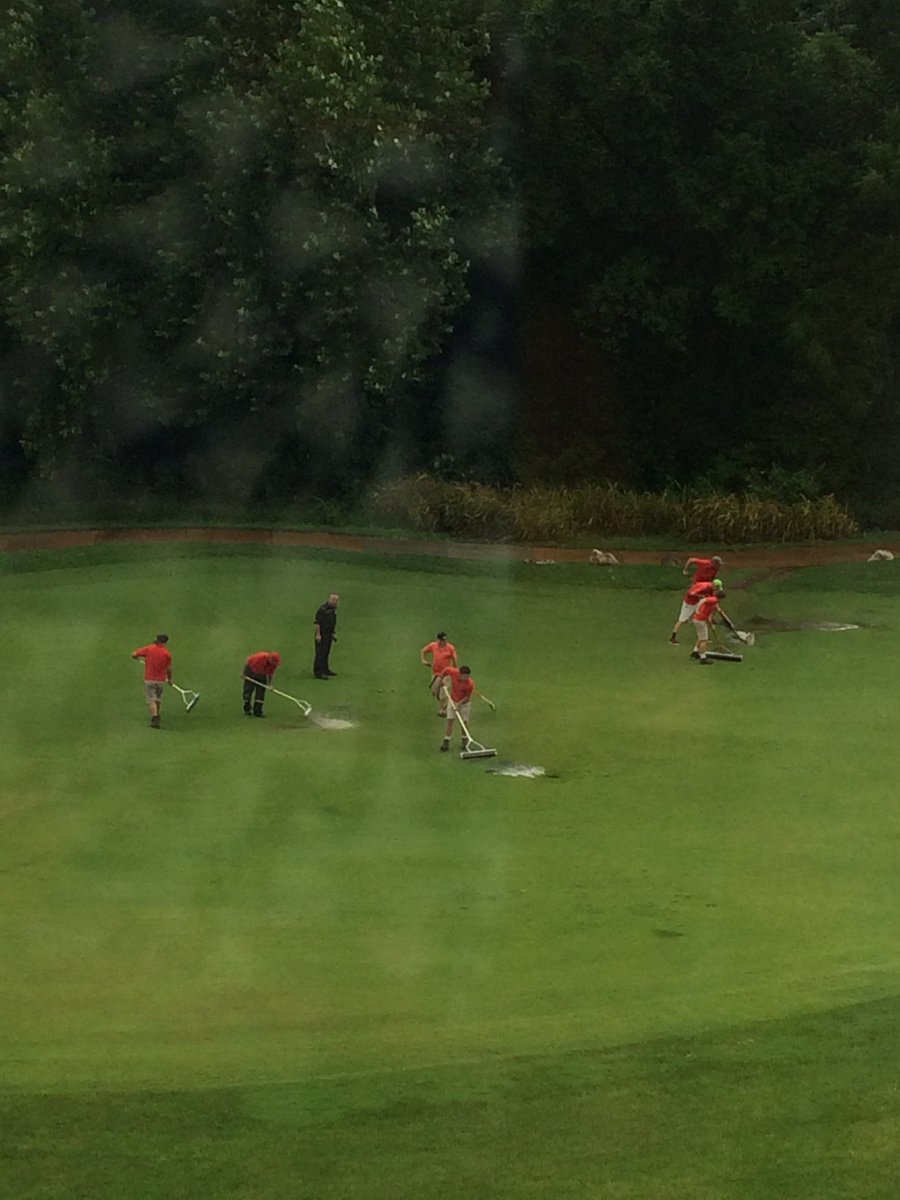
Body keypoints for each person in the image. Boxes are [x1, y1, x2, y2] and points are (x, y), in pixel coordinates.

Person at [132, 633, 172, 729]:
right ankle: (157, 714)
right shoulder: (167, 654)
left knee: (151, 700)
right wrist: (170, 679)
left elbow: (134, 654)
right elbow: (169, 669)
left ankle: (155, 718)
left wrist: (137, 658)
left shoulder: (149, 649)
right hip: (161, 680)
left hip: (149, 679)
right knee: (158, 699)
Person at [669, 577, 724, 645]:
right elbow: (691, 593)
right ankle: (672, 637)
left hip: (697, 602)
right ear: (714, 585)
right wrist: (701, 596)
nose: (717, 590)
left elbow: (712, 598)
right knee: (682, 620)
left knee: (703, 615)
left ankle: (703, 638)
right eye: (717, 588)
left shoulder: (711, 588)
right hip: (689, 603)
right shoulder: (704, 586)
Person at [420, 632, 458, 715]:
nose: (443, 642)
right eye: (441, 640)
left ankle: (442, 710)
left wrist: (455, 672)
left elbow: (454, 660)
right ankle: (444, 703)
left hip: (446, 674)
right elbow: (423, 650)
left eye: (444, 640)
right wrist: (423, 660)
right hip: (436, 673)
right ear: (438, 640)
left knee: (443, 692)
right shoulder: (433, 646)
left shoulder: (450, 648)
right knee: (435, 691)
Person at [691, 590, 733, 663]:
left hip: (699, 619)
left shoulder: (713, 603)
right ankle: (703, 658)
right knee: (704, 640)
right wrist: (697, 609)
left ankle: (695, 652)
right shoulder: (714, 600)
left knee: (701, 637)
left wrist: (710, 624)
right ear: (721, 598)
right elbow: (703, 600)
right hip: (699, 620)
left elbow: (708, 614)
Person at [243, 651, 282, 716]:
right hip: (251, 672)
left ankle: (258, 711)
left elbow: (270, 674)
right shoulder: (259, 658)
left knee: (260, 693)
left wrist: (270, 685)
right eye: (275, 662)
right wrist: (244, 673)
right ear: (271, 659)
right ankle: (247, 708)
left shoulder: (273, 665)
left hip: (262, 675)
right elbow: (248, 663)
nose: (276, 664)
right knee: (248, 691)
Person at [313, 593, 339, 679]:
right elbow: (318, 623)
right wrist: (318, 634)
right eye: (334, 600)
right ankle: (318, 672)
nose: (335, 602)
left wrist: (333, 633)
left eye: (336, 600)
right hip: (322, 634)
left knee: (326, 652)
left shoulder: (333, 609)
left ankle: (325, 669)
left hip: (328, 634)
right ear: (330, 600)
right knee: (320, 653)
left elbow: (333, 622)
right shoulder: (323, 609)